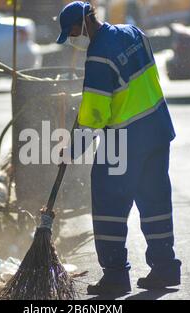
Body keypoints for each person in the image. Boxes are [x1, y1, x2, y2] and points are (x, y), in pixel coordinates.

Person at [56, 1, 181, 295]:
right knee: (155, 201)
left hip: (124, 140)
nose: (73, 39)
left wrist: (73, 149)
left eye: (73, 32)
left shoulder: (98, 55)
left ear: (85, 23)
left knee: (108, 203)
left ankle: (115, 275)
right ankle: (165, 268)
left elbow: (95, 114)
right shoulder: (132, 31)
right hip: (157, 127)